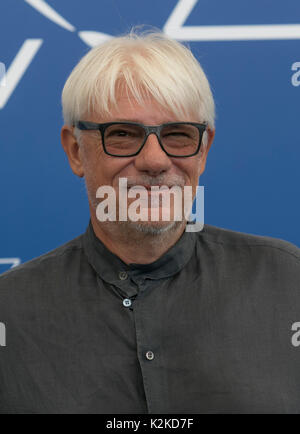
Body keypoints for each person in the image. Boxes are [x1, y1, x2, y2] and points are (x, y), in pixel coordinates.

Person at [0, 29, 300, 415]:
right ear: (76, 151)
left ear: (203, 150)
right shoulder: (10, 312)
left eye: (177, 135)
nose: (155, 161)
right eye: (123, 135)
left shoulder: (287, 282)